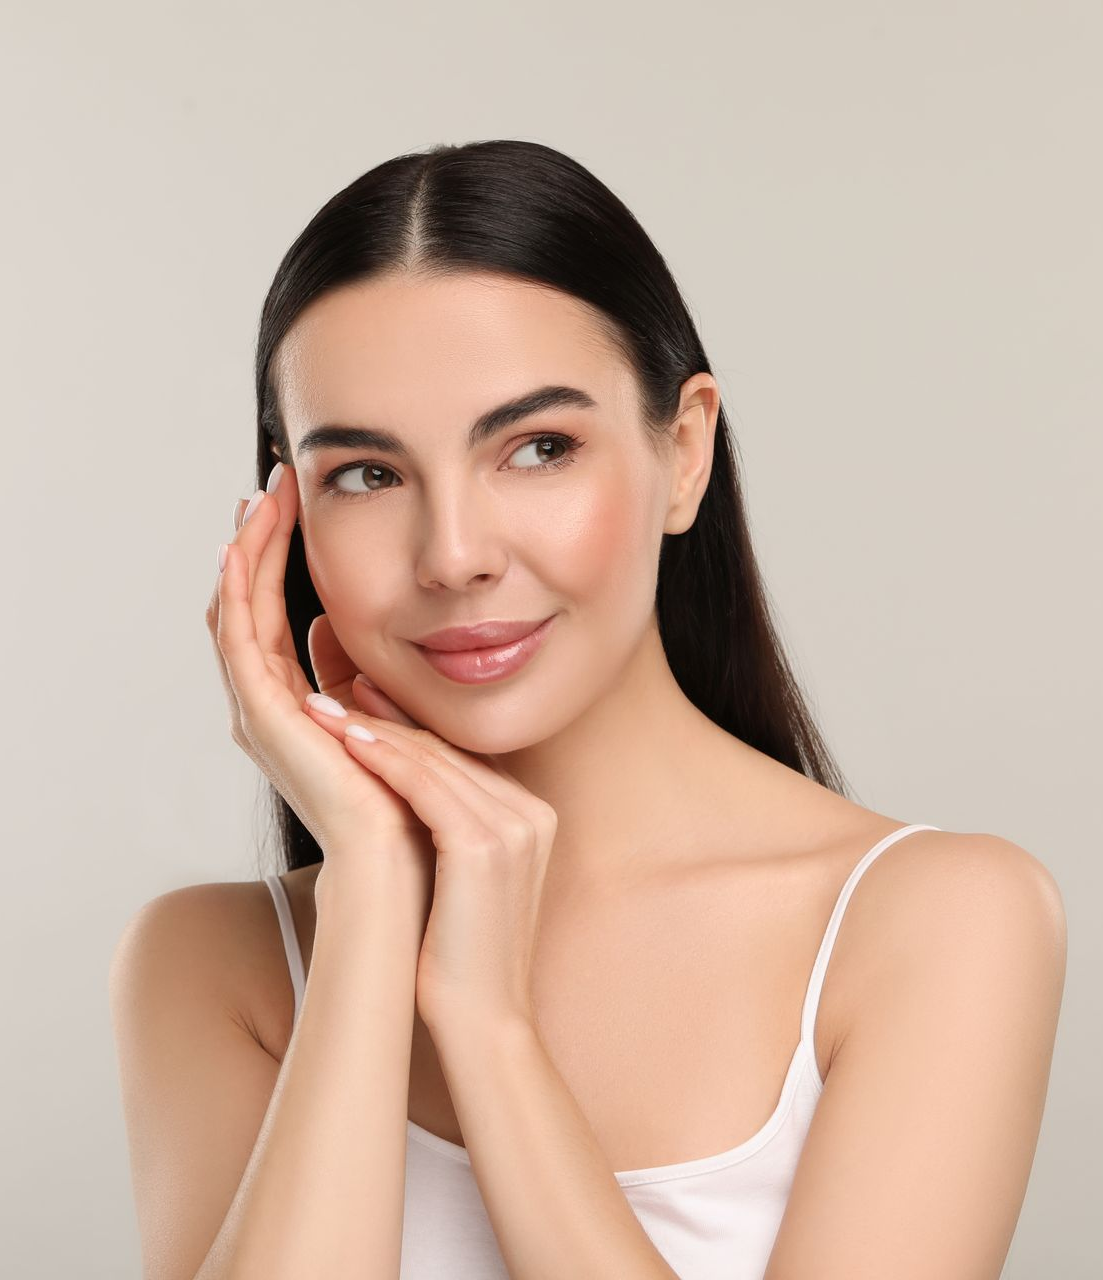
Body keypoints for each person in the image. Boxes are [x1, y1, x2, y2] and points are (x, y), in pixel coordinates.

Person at [110, 140, 1067, 1280]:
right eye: (367, 473)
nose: (454, 555)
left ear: (683, 450)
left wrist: (488, 1028)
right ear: (288, 516)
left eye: (538, 448)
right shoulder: (212, 964)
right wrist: (370, 897)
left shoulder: (933, 922)